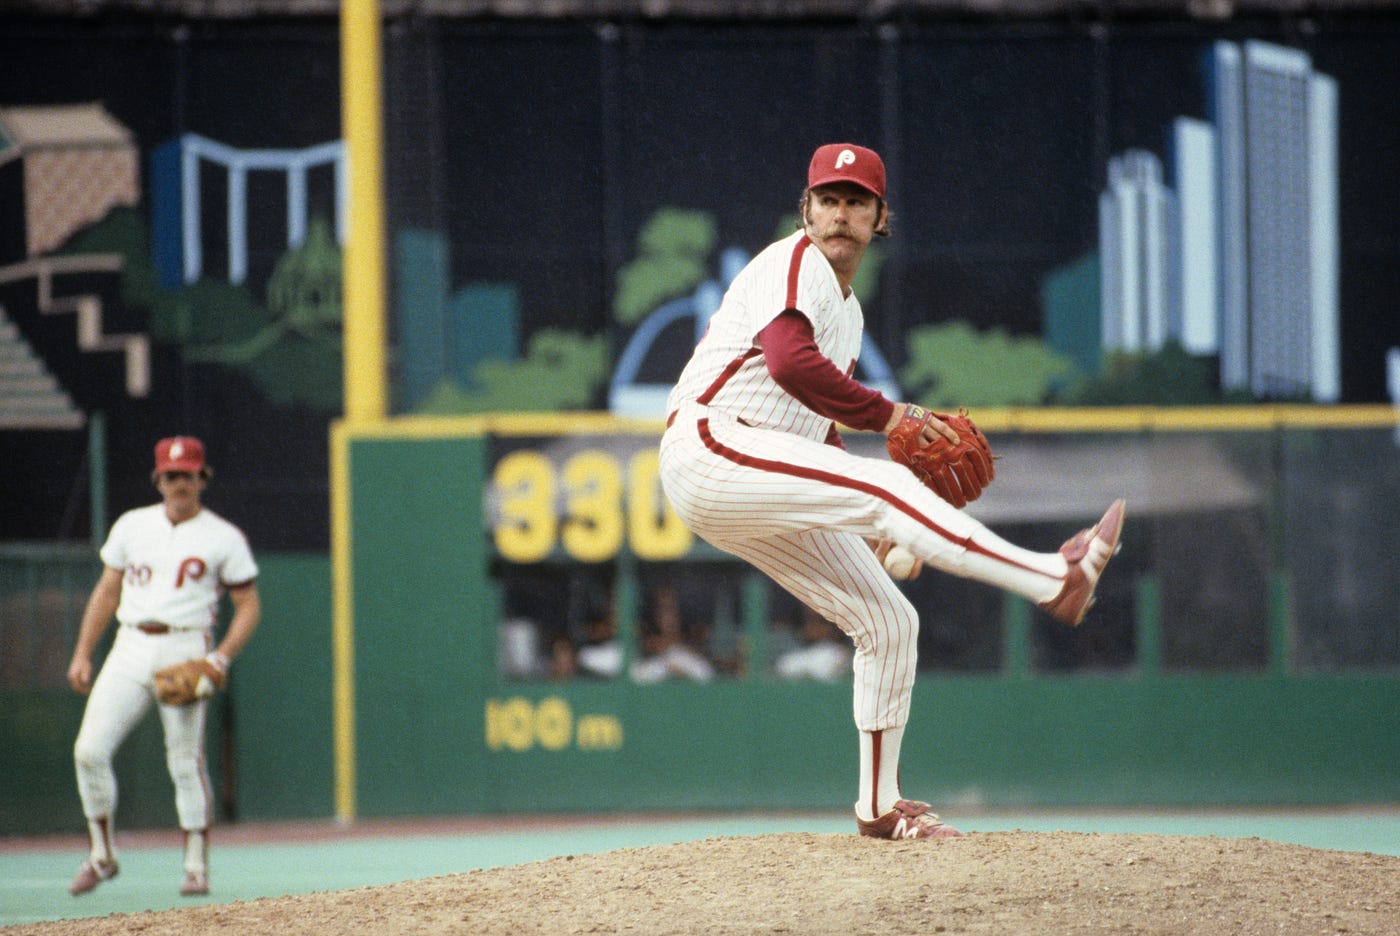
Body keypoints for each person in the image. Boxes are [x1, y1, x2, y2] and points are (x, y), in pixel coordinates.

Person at [658, 142, 1125, 841]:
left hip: (754, 469)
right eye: (828, 200)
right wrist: (892, 416)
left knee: (888, 622)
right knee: (889, 482)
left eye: (856, 203)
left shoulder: (847, 316)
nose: (840, 214)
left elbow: (816, 432)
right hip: (712, 443)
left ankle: (879, 807)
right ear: (806, 211)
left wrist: (867, 523)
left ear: (881, 218)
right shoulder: (795, 264)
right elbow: (787, 363)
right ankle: (1050, 578)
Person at [65, 436, 261, 896]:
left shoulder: (223, 536)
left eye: (188, 474)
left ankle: (195, 865)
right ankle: (101, 854)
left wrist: (219, 657)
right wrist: (82, 652)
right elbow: (106, 592)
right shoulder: (132, 526)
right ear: (158, 479)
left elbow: (249, 605)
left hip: (185, 647)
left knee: (184, 761)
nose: (180, 483)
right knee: (88, 751)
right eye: (171, 475)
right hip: (130, 645)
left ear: (202, 478)